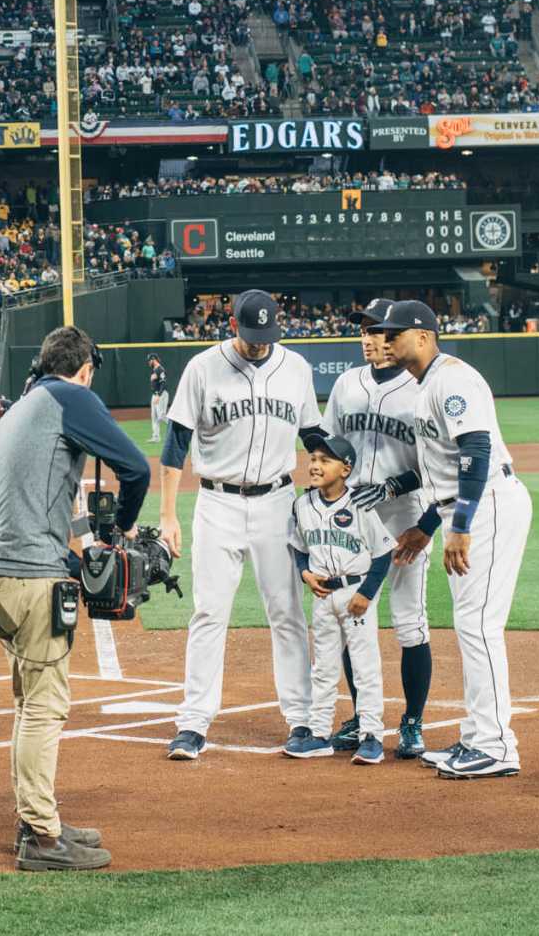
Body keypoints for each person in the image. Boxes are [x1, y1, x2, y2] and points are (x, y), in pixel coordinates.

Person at [0, 326, 149, 872]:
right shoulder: (71, 396)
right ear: (86, 369)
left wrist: (76, 560)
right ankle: (43, 839)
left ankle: (38, 818)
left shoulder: (26, 403)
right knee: (45, 706)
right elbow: (136, 469)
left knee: (30, 702)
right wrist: (118, 532)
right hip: (28, 578)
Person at [156, 289, 323, 760]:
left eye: (267, 336)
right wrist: (168, 514)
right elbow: (175, 446)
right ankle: (192, 722)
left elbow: (313, 435)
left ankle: (302, 719)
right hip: (217, 503)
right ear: (233, 327)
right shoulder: (203, 368)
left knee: (287, 611)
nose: (259, 345)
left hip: (277, 502)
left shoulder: (296, 369)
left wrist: (324, 496)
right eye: (251, 337)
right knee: (209, 612)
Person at [375, 300, 532, 780]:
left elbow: (476, 450)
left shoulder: (452, 379)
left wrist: (459, 526)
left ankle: (496, 746)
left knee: (479, 625)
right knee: (472, 624)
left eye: (394, 333)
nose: (384, 341)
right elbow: (441, 470)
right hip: (470, 507)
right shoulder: (427, 385)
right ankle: (479, 737)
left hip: (489, 506)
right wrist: (428, 526)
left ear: (422, 336)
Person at [323, 298, 430, 759]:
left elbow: (435, 461)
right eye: (363, 331)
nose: (367, 339)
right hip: (354, 517)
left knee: (409, 622)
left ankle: (412, 723)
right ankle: (363, 715)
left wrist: (391, 487)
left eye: (376, 331)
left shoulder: (420, 388)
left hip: (403, 515)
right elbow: (326, 440)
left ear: (394, 337)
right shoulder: (347, 384)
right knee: (352, 616)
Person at [287, 435, 394, 764]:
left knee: (364, 668)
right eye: (313, 459)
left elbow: (384, 552)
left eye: (325, 460)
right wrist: (305, 573)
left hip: (355, 594)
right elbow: (299, 547)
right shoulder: (302, 504)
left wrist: (366, 593)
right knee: (323, 669)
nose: (316, 466)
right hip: (323, 597)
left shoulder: (360, 505)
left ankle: (372, 735)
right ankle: (319, 734)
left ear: (346, 469)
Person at [146, 354, 169, 443]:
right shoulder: (154, 370)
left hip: (162, 394)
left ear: (153, 359)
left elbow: (164, 383)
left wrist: (159, 395)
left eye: (149, 361)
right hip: (155, 395)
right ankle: (156, 437)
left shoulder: (160, 369)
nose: (148, 363)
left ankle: (176, 428)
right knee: (154, 416)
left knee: (162, 416)